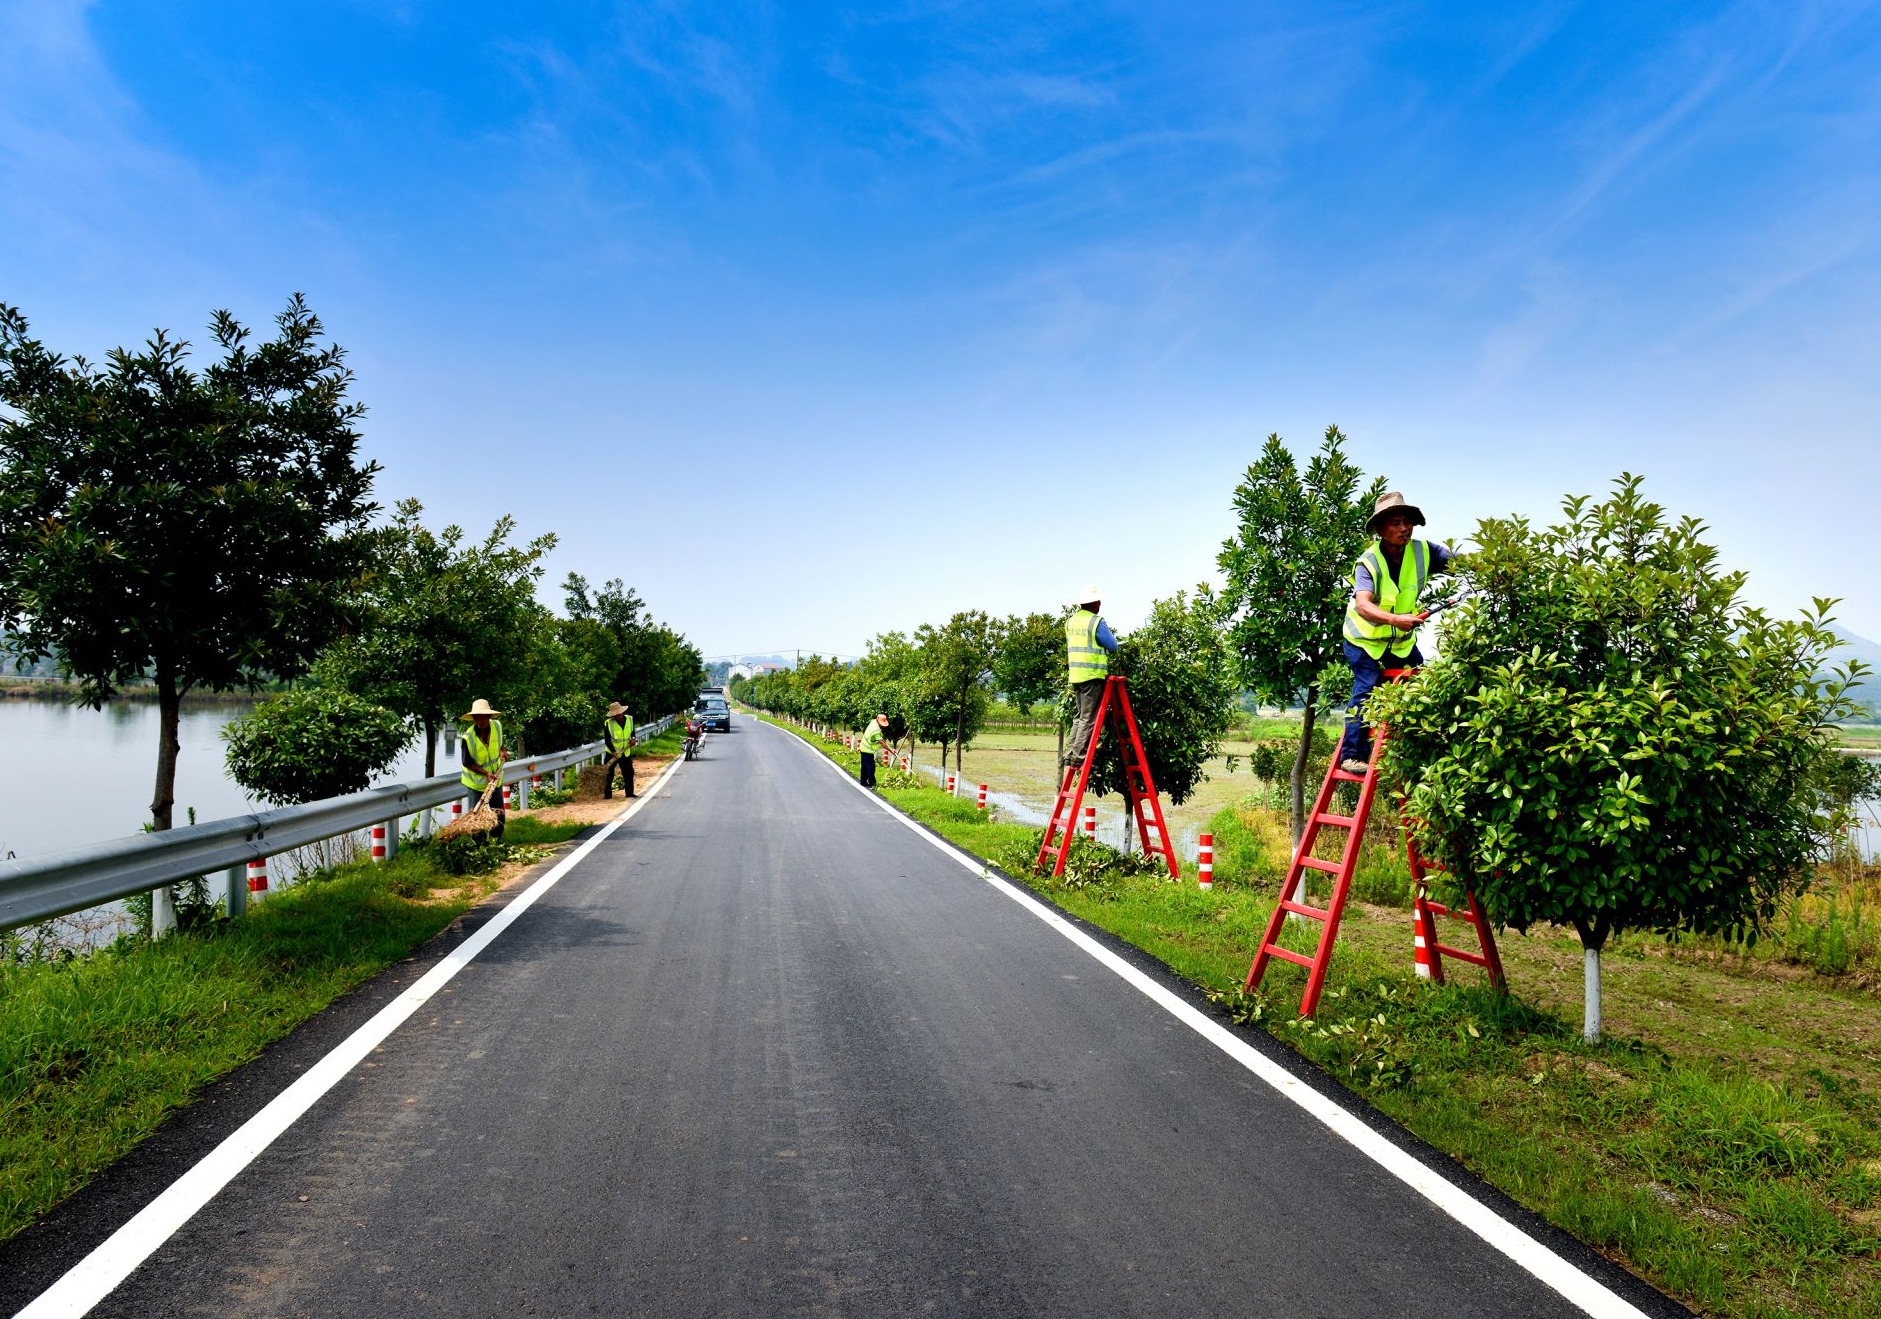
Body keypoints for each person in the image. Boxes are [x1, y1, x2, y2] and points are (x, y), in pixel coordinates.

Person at [1339, 492, 1455, 773]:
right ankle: (1352, 755)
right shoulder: (1368, 562)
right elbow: (1364, 606)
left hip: (1399, 642)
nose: (1404, 528)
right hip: (1363, 640)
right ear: (1380, 529)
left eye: (1407, 522)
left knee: (1420, 685)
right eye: (1395, 523)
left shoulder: (1424, 551)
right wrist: (1394, 619)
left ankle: (1421, 747)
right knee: (1366, 688)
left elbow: (1462, 562)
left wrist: (1493, 567)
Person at [1063, 584, 1120, 767]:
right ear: (1094, 603)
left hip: (1076, 674)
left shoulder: (1071, 622)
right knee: (1089, 717)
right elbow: (1112, 645)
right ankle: (1079, 756)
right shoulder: (1095, 622)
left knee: (1079, 716)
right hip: (1092, 675)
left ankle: (1070, 753)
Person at [459, 698, 509, 840]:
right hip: (477, 784)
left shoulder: (497, 726)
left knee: (498, 815)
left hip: (495, 781)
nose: (480, 722)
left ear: (489, 717)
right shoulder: (468, 738)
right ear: (473, 719)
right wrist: (485, 773)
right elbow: (466, 762)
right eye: (477, 719)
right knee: (477, 820)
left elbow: (499, 742)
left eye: (483, 718)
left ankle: (496, 842)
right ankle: (479, 848)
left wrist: (503, 750)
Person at [603, 701, 636, 799]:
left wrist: (633, 739)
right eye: (615, 715)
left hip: (625, 752)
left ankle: (629, 793)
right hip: (612, 753)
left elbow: (633, 733)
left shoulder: (630, 719)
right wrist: (613, 751)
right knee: (608, 774)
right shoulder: (608, 723)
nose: (618, 716)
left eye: (619, 713)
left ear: (622, 712)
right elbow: (607, 740)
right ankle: (607, 795)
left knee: (629, 773)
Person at [858, 713, 889, 789]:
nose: (882, 725)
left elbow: (881, 741)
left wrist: (891, 750)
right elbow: (882, 742)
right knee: (870, 767)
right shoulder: (875, 730)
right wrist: (891, 750)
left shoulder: (873, 722)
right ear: (878, 721)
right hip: (867, 750)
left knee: (865, 767)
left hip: (863, 748)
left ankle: (863, 782)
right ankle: (873, 783)